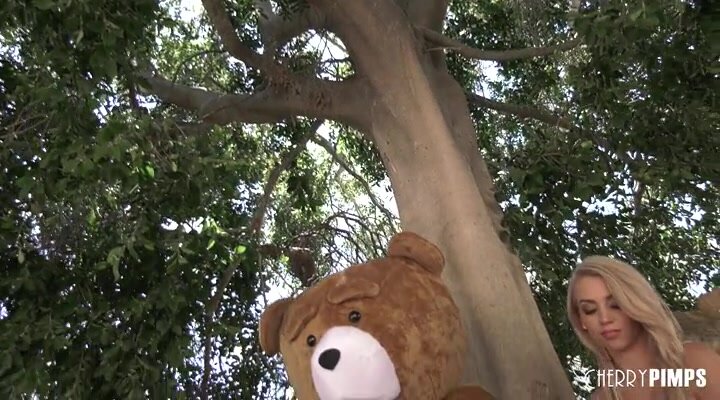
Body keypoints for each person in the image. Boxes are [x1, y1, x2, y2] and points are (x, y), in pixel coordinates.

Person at [566, 255, 720, 400]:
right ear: (581, 321)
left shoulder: (694, 363)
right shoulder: (603, 397)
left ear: (636, 303)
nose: (605, 319)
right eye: (590, 310)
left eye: (615, 305)